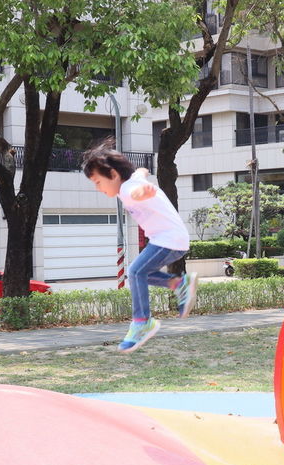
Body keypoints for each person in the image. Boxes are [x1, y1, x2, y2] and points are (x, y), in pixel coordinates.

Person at [81, 139, 197, 352]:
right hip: (172, 240)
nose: (98, 188)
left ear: (113, 175)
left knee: (134, 271)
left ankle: (142, 322)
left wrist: (143, 191)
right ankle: (177, 284)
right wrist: (142, 174)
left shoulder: (127, 189)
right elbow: (141, 173)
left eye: (98, 182)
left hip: (168, 240)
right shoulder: (132, 180)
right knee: (138, 274)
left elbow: (137, 191)